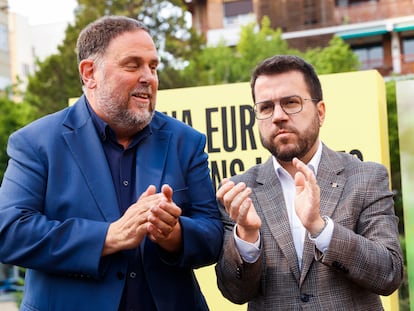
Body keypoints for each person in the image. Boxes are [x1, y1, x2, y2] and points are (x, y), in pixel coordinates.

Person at [0, 15, 223, 311]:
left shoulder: (186, 142)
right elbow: (10, 232)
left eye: (153, 67)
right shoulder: (36, 143)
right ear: (90, 73)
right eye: (133, 65)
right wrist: (109, 236)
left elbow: (212, 234)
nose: (149, 77)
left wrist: (174, 235)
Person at [215, 55, 403, 310]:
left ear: (320, 112)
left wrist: (320, 227)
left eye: (290, 103)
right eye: (266, 107)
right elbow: (234, 292)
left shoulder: (366, 177)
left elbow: (389, 274)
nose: (278, 116)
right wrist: (247, 236)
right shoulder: (240, 192)